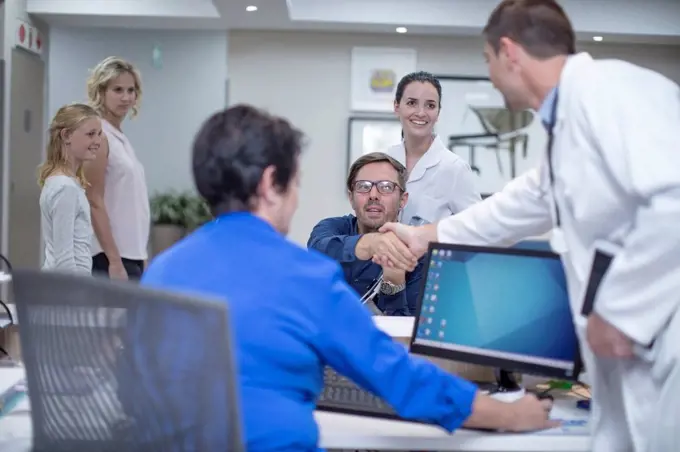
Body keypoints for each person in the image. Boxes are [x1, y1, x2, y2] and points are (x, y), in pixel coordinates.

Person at [123, 104, 557, 451]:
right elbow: (400, 380)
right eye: (296, 182)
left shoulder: (164, 269)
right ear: (273, 182)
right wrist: (512, 415)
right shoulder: (303, 276)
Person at [377, 1, 680, 451]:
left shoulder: (614, 90)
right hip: (622, 354)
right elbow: (515, 206)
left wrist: (622, 314)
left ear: (508, 52)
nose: (491, 75)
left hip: (656, 342)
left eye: (487, 62)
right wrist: (423, 236)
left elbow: (673, 198)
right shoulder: (566, 127)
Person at [308, 152, 420, 315]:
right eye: (363, 186)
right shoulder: (332, 228)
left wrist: (393, 283)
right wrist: (373, 244)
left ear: (403, 199)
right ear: (351, 197)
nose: (373, 195)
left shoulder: (416, 252)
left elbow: (407, 333)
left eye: (386, 187)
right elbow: (318, 250)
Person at [84, 56, 150, 281]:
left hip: (131, 255)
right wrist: (114, 260)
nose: (126, 97)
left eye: (131, 90)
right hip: (110, 257)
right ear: (101, 92)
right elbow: (93, 200)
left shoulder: (118, 136)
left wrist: (142, 256)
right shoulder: (99, 135)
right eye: (117, 90)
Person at [386, 71, 481, 225]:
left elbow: (478, 227)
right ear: (397, 107)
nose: (421, 113)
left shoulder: (454, 168)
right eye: (411, 103)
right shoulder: (386, 160)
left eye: (430, 105)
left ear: (438, 113)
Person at [38, 103, 102, 274]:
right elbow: (64, 259)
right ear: (66, 135)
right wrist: (77, 296)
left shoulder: (65, 184)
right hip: (66, 292)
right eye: (90, 134)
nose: (98, 141)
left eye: (99, 134)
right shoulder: (65, 188)